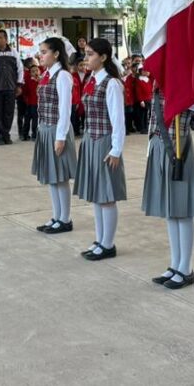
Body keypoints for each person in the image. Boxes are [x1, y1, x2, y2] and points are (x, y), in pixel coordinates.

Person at [143, 86, 194, 289]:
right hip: (159, 145)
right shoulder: (157, 85)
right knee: (170, 210)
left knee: (182, 209)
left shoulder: (185, 84)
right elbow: (153, 119)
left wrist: (188, 94)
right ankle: (175, 263)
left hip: (179, 148)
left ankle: (185, 268)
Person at [73, 38, 127, 261]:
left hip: (105, 142)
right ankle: (100, 239)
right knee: (96, 195)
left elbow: (118, 120)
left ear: (103, 57)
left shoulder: (111, 83)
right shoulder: (92, 79)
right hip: (91, 140)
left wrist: (116, 149)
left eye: (90, 54)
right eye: (85, 54)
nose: (86, 58)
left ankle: (108, 244)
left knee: (106, 196)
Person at [31, 37, 78, 235]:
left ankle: (65, 219)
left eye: (44, 52)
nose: (40, 56)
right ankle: (56, 216)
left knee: (60, 178)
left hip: (57, 130)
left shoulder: (63, 75)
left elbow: (65, 109)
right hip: (45, 129)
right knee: (52, 177)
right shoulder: (47, 74)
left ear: (56, 54)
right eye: (40, 52)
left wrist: (60, 137)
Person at [18, 58, 38, 141]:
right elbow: (25, 91)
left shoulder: (41, 80)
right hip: (29, 103)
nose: (35, 72)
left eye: (37, 70)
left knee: (35, 120)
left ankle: (34, 134)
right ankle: (25, 134)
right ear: (30, 73)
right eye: (33, 71)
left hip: (36, 104)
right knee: (27, 119)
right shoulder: (28, 79)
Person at [134, 64, 153, 133]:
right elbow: (138, 92)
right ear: (141, 71)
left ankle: (146, 127)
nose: (146, 72)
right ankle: (142, 128)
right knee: (142, 115)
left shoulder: (148, 79)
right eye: (144, 70)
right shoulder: (139, 80)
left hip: (149, 99)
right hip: (143, 100)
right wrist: (141, 100)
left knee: (147, 115)